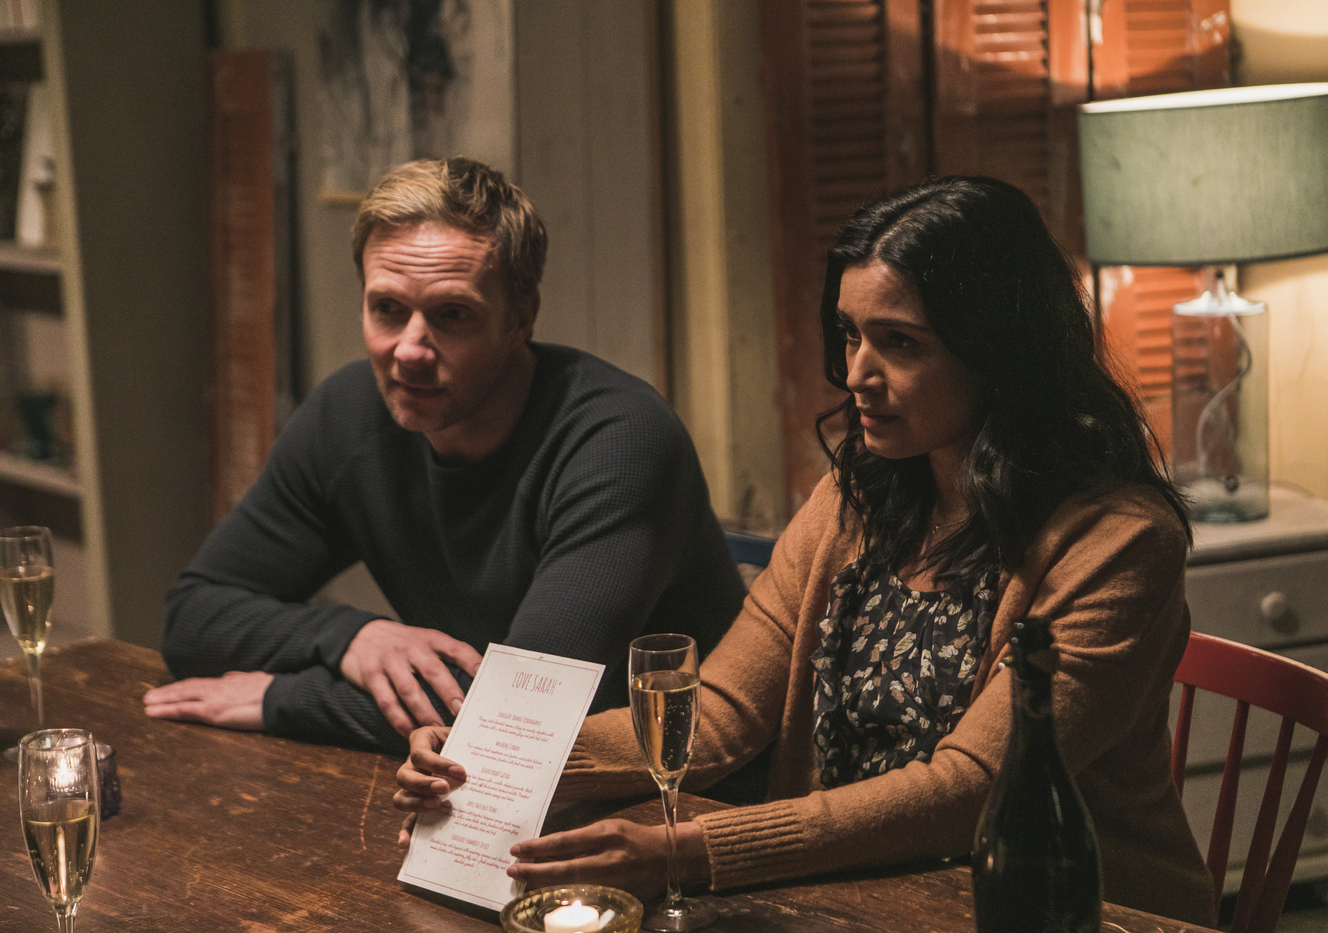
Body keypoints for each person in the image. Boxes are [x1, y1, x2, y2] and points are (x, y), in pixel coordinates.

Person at [393, 175, 1218, 925]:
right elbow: (721, 711)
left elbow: (969, 790)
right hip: (856, 897)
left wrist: (688, 851)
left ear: (998, 351)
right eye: (850, 334)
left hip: (1069, 909)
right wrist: (491, 757)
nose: (856, 373)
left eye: (900, 342)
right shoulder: (860, 496)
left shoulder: (1119, 541)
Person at [145, 158, 745, 753]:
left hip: (675, 787)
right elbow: (194, 619)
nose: (409, 350)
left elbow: (520, 715)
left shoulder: (619, 442)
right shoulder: (348, 416)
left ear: (521, 318)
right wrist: (351, 637)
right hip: (475, 778)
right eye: (387, 309)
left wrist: (284, 698)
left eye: (452, 315)